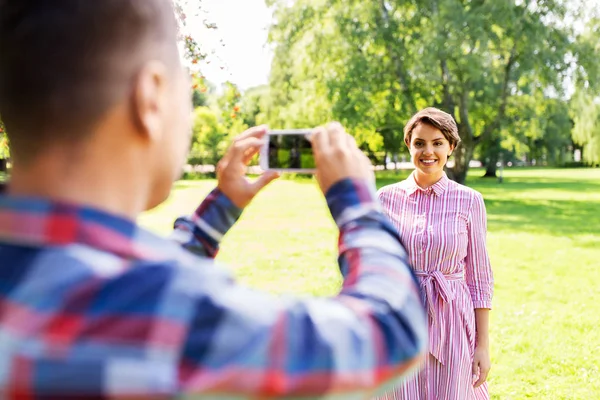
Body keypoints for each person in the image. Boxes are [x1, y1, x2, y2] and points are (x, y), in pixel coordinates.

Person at [0, 0, 428, 398]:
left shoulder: (51, 279)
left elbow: (95, 275)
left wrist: (221, 207)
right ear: (150, 97)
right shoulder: (166, 310)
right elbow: (389, 334)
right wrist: (357, 204)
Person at [375, 108, 494, 399]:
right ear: (409, 145)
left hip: (453, 319)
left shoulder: (470, 201)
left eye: (437, 143)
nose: (428, 151)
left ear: (451, 147)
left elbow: (479, 280)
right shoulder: (384, 199)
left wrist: (482, 345)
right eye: (419, 143)